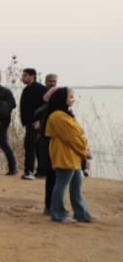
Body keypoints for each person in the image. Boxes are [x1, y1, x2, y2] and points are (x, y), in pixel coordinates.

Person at [44, 88, 96, 224]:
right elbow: (72, 137)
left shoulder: (66, 114)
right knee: (61, 184)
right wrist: (85, 152)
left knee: (76, 185)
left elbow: (76, 136)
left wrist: (84, 152)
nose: (73, 100)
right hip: (65, 154)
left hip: (74, 155)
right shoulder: (57, 116)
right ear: (63, 98)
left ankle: (81, 213)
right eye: (70, 97)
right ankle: (57, 213)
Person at [32, 83, 58, 215]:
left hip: (48, 150)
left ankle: (51, 206)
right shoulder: (51, 113)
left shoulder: (45, 111)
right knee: (55, 180)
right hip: (52, 150)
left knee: (53, 180)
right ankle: (53, 207)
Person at [19, 68, 47, 180]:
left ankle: (30, 171)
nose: (22, 78)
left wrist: (41, 121)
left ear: (32, 76)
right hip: (29, 123)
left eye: (25, 75)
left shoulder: (41, 89)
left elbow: (47, 106)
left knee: (31, 146)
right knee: (32, 146)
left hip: (37, 123)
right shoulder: (26, 89)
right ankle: (39, 171)